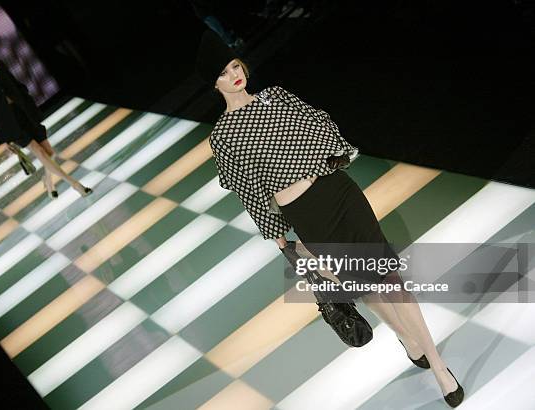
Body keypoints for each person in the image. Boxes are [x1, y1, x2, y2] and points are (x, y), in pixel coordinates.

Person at [196, 30, 464, 407]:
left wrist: (332, 154)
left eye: (235, 65)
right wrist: (278, 235)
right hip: (305, 214)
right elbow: (245, 187)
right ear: (214, 82)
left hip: (338, 192)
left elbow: (318, 121)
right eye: (224, 71)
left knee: (389, 276)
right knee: (362, 283)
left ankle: (437, 365)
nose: (235, 74)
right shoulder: (223, 135)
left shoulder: (276, 96)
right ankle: (405, 336)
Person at [0, 41, 92, 199]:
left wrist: (28, 101)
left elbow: (16, 84)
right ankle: (75, 184)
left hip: (23, 111)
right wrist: (5, 139)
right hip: (9, 124)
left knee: (49, 153)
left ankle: (48, 181)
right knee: (40, 153)